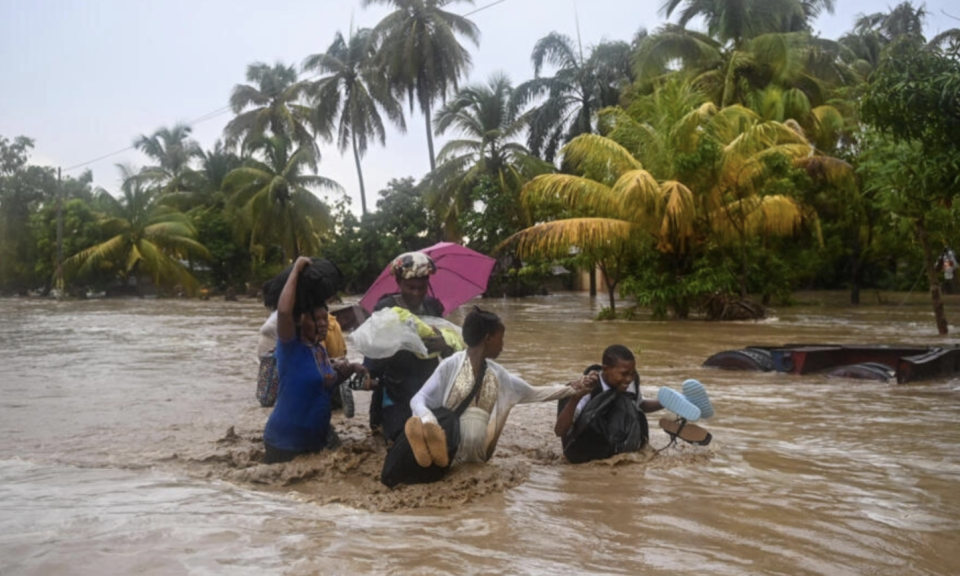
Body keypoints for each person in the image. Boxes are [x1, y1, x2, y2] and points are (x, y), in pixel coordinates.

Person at [404, 307, 590, 472]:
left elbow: (533, 392)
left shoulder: (498, 374)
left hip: (478, 458)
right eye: (501, 339)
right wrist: (428, 419)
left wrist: (573, 389)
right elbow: (418, 399)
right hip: (451, 452)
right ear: (487, 339)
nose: (503, 345)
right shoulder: (450, 366)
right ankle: (430, 442)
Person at [262, 257, 367, 464]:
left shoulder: (319, 350)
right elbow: (284, 312)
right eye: (316, 319)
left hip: (317, 440)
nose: (322, 324)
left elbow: (324, 383)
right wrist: (297, 269)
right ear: (301, 320)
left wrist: (352, 368)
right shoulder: (290, 346)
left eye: (324, 319)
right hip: (285, 443)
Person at [555, 345, 711, 463]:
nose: (629, 379)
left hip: (615, 445)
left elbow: (641, 405)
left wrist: (665, 402)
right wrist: (575, 397)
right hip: (585, 450)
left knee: (625, 400)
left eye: (632, 373)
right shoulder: (586, 387)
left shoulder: (628, 382)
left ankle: (683, 399)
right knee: (613, 400)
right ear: (606, 369)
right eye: (624, 374)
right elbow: (560, 431)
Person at [367, 251, 457, 441]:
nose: (416, 293)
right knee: (400, 439)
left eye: (422, 287)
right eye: (410, 287)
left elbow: (450, 351)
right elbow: (373, 356)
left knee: (439, 436)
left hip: (427, 385)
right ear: (398, 282)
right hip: (395, 387)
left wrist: (443, 344)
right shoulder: (386, 308)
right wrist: (401, 342)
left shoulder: (433, 307)